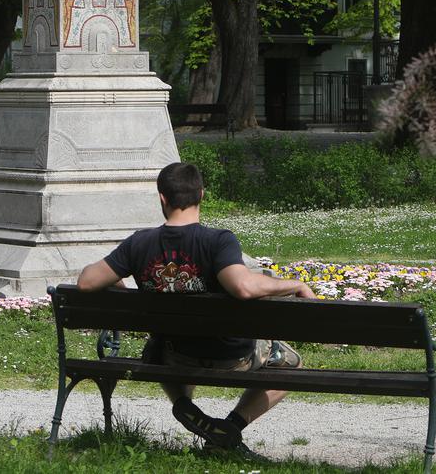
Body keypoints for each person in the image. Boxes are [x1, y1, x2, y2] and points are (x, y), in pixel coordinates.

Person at [76, 162, 315, 452]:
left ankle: (183, 404)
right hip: (232, 358)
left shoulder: (139, 243)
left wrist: (120, 287)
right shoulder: (218, 241)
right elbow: (243, 287)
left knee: (160, 344)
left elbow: (87, 281)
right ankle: (230, 428)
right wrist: (294, 284)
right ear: (201, 194)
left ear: (162, 198)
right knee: (292, 363)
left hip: (175, 356)